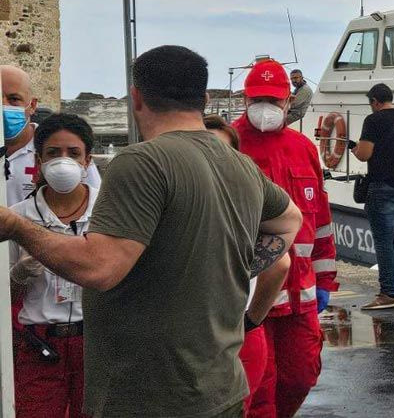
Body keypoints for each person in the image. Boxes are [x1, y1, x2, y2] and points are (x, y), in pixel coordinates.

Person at [0, 45, 302, 417]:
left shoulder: (142, 161)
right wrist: (231, 267)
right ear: (204, 99)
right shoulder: (239, 164)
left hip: (149, 396)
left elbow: (100, 268)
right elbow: (290, 220)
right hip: (222, 388)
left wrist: (18, 227)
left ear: (137, 97)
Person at [233, 58, 338, 418]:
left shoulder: (303, 148)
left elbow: (321, 221)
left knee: (301, 377)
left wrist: (325, 279)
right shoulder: (227, 147)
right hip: (251, 298)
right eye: (258, 99)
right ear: (245, 100)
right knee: (257, 389)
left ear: (288, 102)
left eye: (274, 101)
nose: (266, 108)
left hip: (301, 295)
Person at [8, 114, 96, 417]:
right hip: (39, 345)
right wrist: (18, 276)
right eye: (53, 153)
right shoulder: (17, 218)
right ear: (39, 159)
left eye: (73, 153)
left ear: (88, 160)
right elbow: (5, 293)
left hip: (96, 343)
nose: (63, 161)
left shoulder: (109, 210)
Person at [204, 114, 292, 416]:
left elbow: (280, 266)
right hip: (240, 330)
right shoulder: (248, 202)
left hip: (213, 333)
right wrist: (252, 321)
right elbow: (280, 263)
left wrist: (252, 321)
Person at [352, 83, 394, 310]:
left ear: (374, 101)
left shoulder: (373, 121)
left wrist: (355, 150)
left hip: (383, 187)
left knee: (383, 241)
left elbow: (364, 154)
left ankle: (389, 292)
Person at [2, 65, 101, 207]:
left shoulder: (60, 149)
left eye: (14, 99)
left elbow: (95, 205)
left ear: (32, 105)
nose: (3, 105)